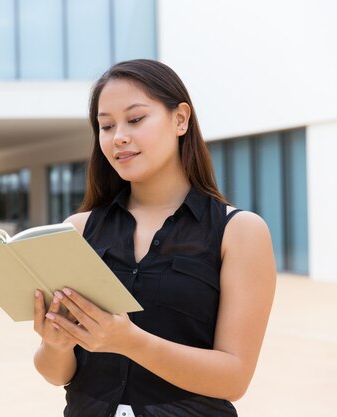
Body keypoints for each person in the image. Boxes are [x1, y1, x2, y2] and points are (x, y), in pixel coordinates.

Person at [33, 60, 276, 417]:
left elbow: (234, 378)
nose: (118, 137)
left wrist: (131, 342)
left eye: (135, 119)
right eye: (106, 126)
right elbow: (56, 374)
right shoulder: (77, 230)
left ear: (180, 119)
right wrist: (55, 345)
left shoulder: (239, 232)